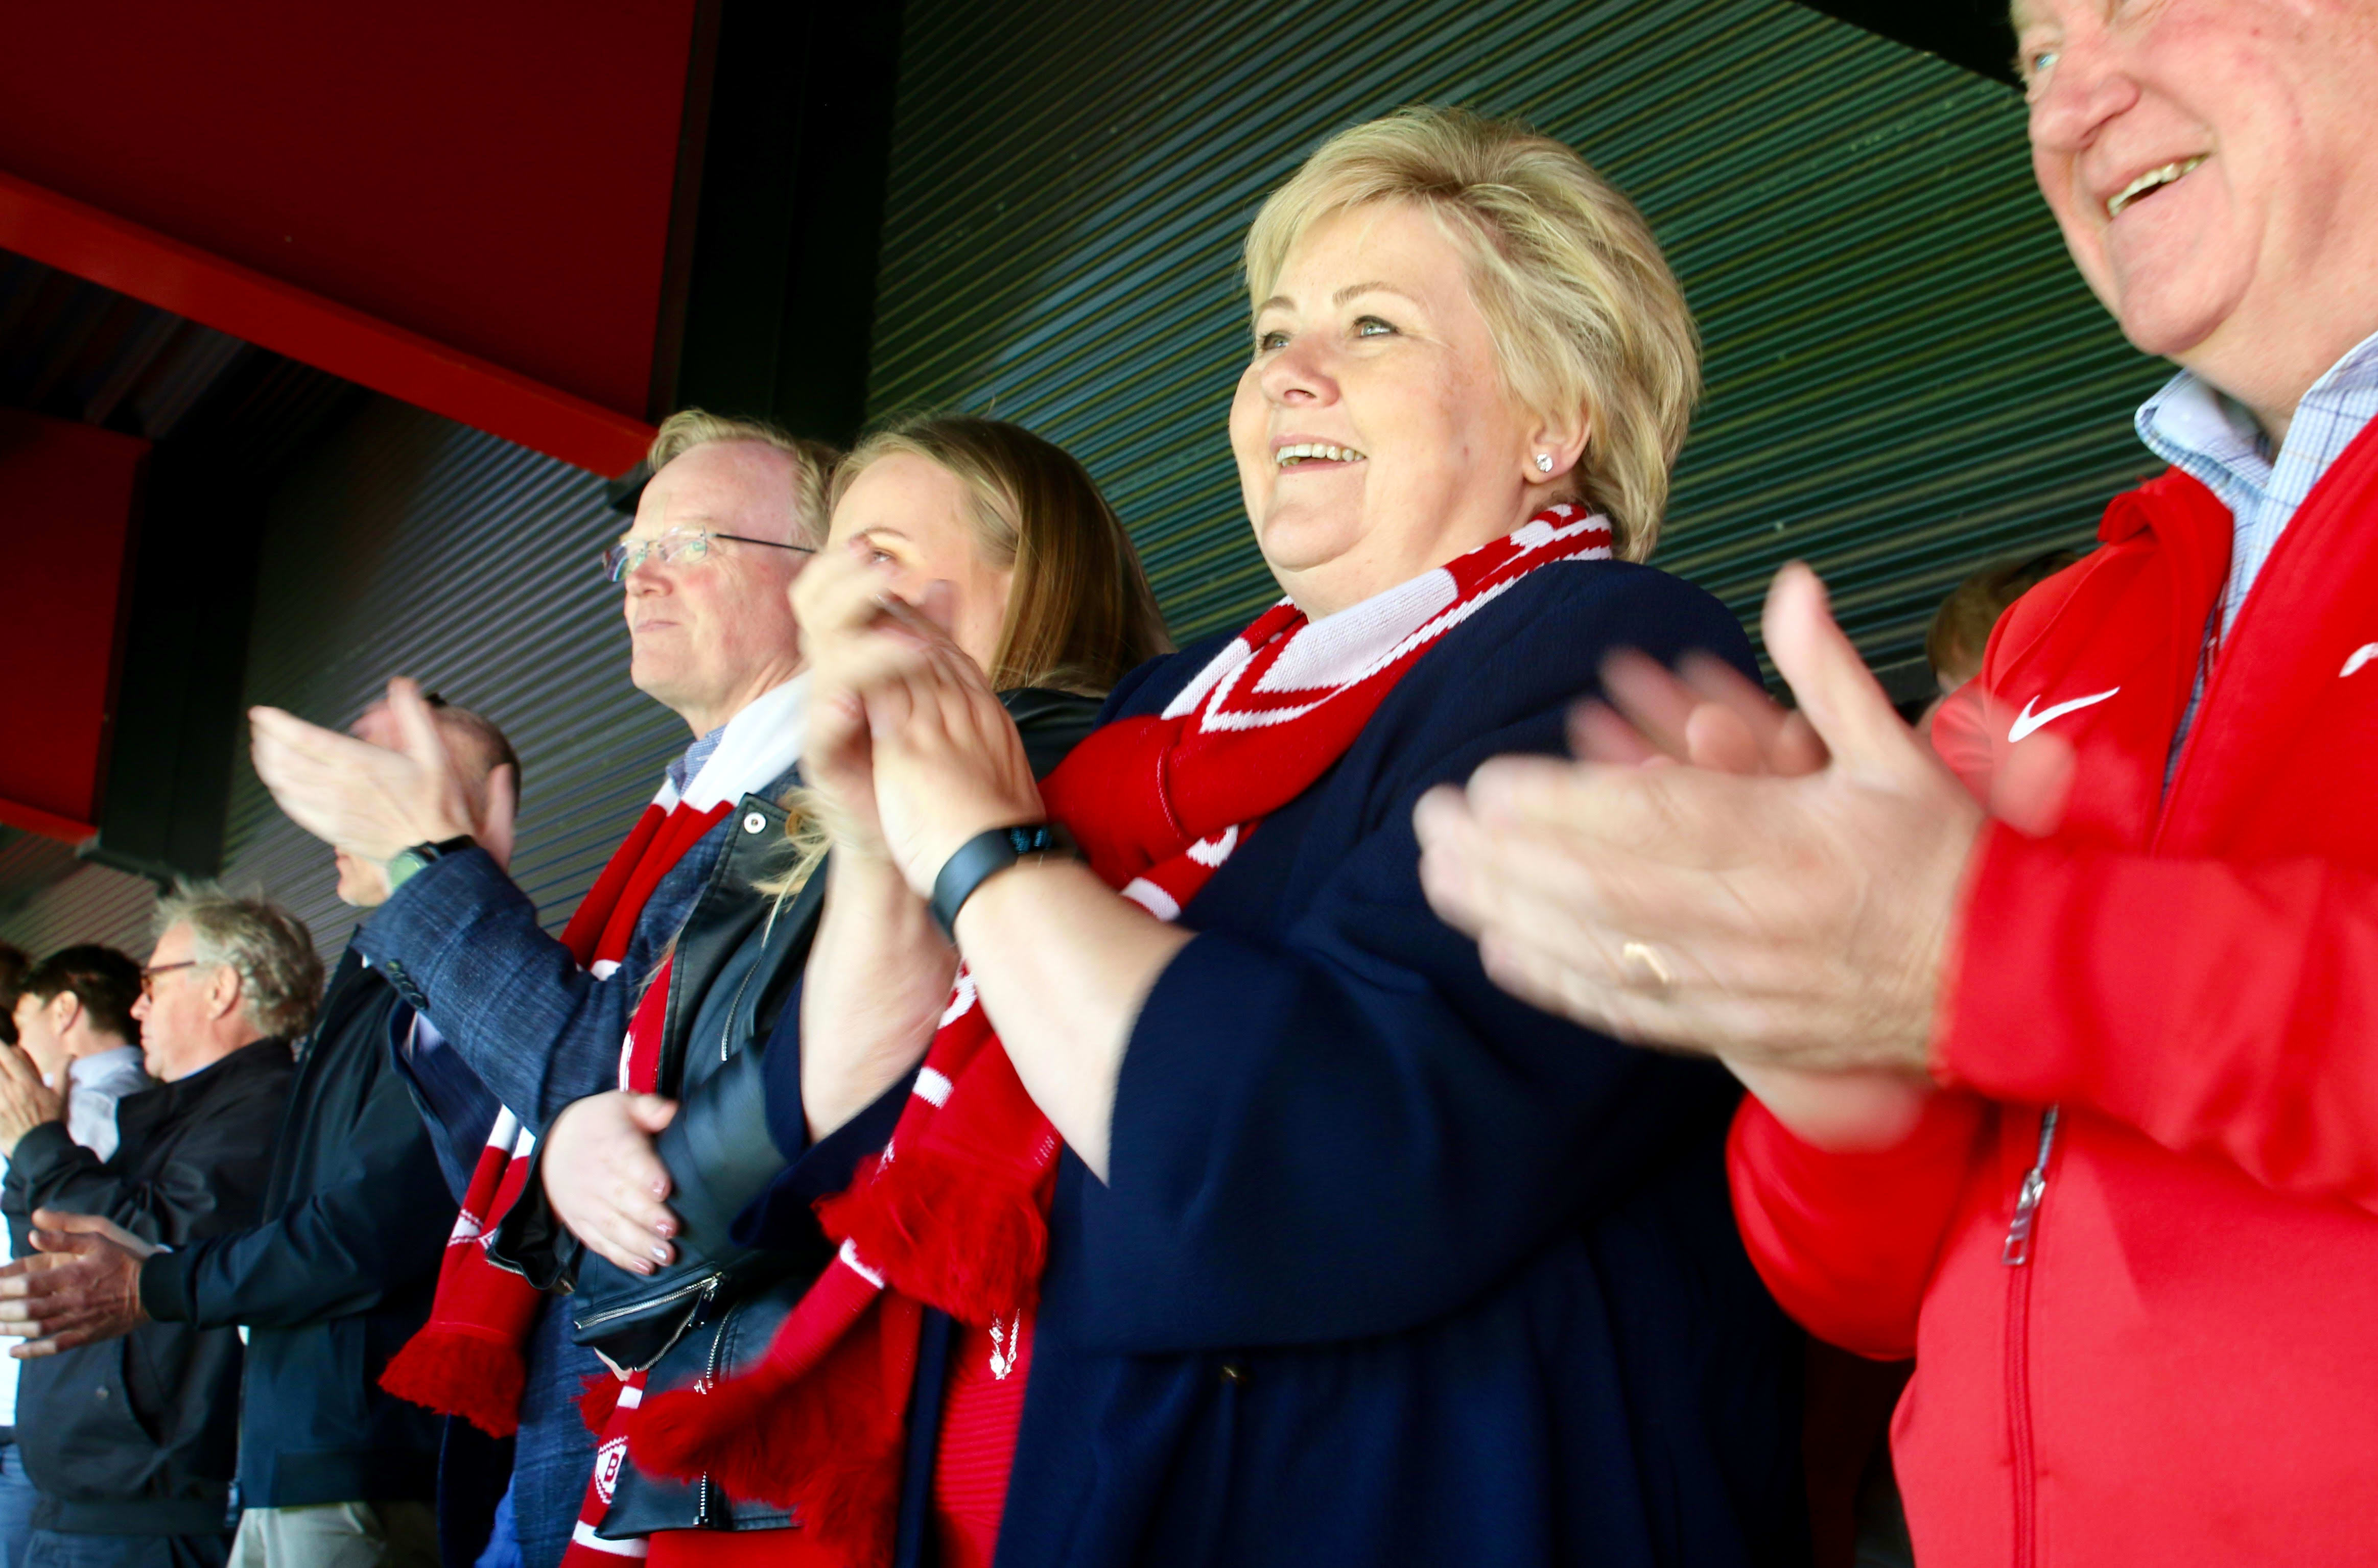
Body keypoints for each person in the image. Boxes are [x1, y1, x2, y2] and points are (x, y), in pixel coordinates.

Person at [604, 107, 1801, 1568]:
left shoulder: (1620, 656)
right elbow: (858, 1116)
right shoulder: (1163, 712)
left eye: (1371, 326)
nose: (1285, 370)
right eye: (1274, 329)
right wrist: (874, 839)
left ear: (1554, 420)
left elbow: (1332, 1157)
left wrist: (982, 850)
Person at [1412, 2, 2378, 1564]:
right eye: (2037, 52)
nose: (2065, 105)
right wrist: (1825, 1041)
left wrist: (1979, 946)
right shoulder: (2070, 623)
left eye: (2133, 3)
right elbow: (1866, 1297)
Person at [507, 413, 1169, 1559]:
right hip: (728, 1443)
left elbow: (825, 1091)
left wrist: (633, 1200)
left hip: (826, 1449)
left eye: (882, 558)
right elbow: (672, 1063)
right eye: (835, 566)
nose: (835, 603)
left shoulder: (1043, 765)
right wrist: (577, 1142)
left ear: (1033, 571)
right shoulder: (819, 800)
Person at [244, 411, 834, 1568]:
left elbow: (631, 1093)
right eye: (633, 550)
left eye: (691, 542)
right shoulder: (681, 814)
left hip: (677, 1440)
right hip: (566, 1418)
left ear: (823, 574)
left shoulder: (820, 799)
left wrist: (429, 863)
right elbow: (539, 1114)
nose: (639, 575)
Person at [0, 699, 524, 1568]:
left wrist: (59, 1172)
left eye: (371, 781)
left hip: (346, 1463)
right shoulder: (376, 984)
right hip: (292, 1461)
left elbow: (359, 1234)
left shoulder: (445, 983)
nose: (335, 809)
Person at [0, 889, 316, 1568]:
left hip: (149, 1514)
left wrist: (37, 1142)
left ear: (220, 988)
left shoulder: (264, 1106)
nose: (137, 1007)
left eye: (152, 983)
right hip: (83, 1501)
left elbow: (132, 1250)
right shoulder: (175, 1113)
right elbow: (47, 1249)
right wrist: (27, 1146)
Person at [0, 947, 149, 1568]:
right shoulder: (111, 1102)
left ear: (64, 1009)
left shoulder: (89, 1108)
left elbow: (63, 1242)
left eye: (22, 1017)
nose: (17, 1038)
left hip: (48, 1412)